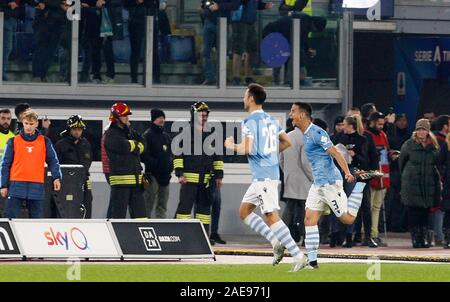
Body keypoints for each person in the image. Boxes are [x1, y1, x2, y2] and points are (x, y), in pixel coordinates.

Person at [224, 84, 308, 272]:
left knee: (271, 216)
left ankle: (299, 255)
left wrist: (231, 145)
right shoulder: (271, 120)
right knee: (244, 212)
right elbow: (286, 141)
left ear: (252, 98)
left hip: (264, 177)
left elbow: (247, 148)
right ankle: (275, 242)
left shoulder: (250, 122)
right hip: (267, 175)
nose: (244, 98)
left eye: (245, 95)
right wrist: (270, 154)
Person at [289, 102, 367, 269]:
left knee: (347, 219)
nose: (290, 115)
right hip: (318, 185)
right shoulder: (305, 134)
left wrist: (347, 173)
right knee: (309, 219)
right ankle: (312, 262)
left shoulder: (317, 132)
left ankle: (360, 186)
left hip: (331, 183)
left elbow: (335, 153)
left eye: (293, 111)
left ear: (302, 115)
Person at [173, 101, 224, 238]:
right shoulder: (184, 132)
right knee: (184, 211)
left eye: (206, 115)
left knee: (204, 213)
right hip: (189, 179)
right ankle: (179, 237)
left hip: (207, 181)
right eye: (201, 115)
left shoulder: (212, 133)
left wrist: (219, 176)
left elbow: (217, 157)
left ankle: (202, 240)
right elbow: (177, 155)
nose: (204, 117)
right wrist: (180, 174)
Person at [0, 110, 61, 218]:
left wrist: (56, 177)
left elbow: (53, 160)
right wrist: (3, 185)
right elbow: (5, 164)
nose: (28, 127)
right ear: (22, 123)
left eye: (31, 124)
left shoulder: (44, 141)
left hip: (36, 186)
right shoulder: (13, 141)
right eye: (26, 123)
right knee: (9, 219)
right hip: (16, 185)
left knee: (36, 221)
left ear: (37, 123)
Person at [399, 119, 441, 248]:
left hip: (428, 184)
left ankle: (425, 238)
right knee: (414, 213)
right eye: (419, 129)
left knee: (426, 213)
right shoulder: (408, 145)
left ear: (428, 131)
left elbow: (437, 164)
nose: (421, 132)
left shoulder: (433, 146)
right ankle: (416, 239)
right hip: (412, 183)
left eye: (423, 129)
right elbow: (402, 162)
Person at [333, 115, 371, 248]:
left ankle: (349, 236)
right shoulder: (340, 137)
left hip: (353, 171)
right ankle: (336, 234)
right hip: (339, 171)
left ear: (350, 126)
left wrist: (355, 155)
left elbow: (366, 159)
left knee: (350, 204)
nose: (342, 127)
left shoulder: (362, 140)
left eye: (344, 124)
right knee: (337, 201)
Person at [104, 102, 146, 218]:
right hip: (121, 182)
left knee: (141, 216)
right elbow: (124, 146)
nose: (127, 118)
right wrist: (134, 145)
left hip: (136, 182)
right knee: (118, 216)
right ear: (116, 118)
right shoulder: (111, 134)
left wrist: (134, 145)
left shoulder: (130, 132)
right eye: (124, 116)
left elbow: (143, 142)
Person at [280, 119, 313, 245]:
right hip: (304, 180)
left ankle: (281, 236)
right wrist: (312, 177)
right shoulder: (306, 138)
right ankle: (306, 237)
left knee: (289, 208)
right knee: (306, 210)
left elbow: (281, 159)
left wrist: (287, 173)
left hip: (290, 179)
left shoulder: (287, 136)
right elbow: (305, 162)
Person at [54, 115, 93, 218]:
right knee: (67, 207)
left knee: (87, 205)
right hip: (67, 182)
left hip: (83, 181)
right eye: (75, 129)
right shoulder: (61, 145)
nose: (77, 132)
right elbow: (56, 164)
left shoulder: (86, 144)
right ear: (69, 129)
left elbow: (88, 162)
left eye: (79, 129)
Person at [124, 0, 170, 84]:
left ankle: (156, 78)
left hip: (151, 21)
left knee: (154, 51)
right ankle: (134, 78)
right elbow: (125, 4)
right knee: (135, 51)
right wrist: (136, 2)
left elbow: (158, 4)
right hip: (135, 21)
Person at [230, 0, 273, 86]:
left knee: (252, 49)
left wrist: (264, 5)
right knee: (238, 48)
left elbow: (256, 4)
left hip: (251, 21)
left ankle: (248, 77)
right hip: (240, 21)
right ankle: (236, 77)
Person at [365, 111, 391, 247]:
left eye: (383, 124)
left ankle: (374, 234)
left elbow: (386, 154)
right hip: (372, 177)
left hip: (382, 177)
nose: (381, 126)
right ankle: (367, 234)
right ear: (372, 122)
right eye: (379, 124)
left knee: (376, 207)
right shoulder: (367, 135)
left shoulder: (383, 135)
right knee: (368, 207)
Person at [200, 0, 240, 85]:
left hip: (223, 22)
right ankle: (209, 77)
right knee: (205, 51)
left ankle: (222, 78)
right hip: (209, 21)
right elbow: (204, 2)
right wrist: (207, 6)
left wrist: (219, 6)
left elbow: (235, 4)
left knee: (222, 52)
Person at [141, 109, 173, 218]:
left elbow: (170, 154)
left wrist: (170, 166)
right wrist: (156, 164)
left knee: (162, 205)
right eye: (159, 118)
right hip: (152, 176)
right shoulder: (147, 135)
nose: (162, 120)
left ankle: (161, 227)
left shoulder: (166, 136)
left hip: (165, 177)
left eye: (163, 118)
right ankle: (145, 226)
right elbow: (144, 155)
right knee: (147, 204)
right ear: (153, 119)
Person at [1, 0, 22, 81]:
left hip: (13, 18)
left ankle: (2, 72)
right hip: (4, 16)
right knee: (6, 48)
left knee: (7, 48)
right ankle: (2, 73)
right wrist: (7, 4)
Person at [0, 108, 14, 216]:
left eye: (8, 119)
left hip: (6, 180)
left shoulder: (13, 138)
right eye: (3, 118)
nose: (6, 121)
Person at [438, 133, 450, 249]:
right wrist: (445, 174)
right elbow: (439, 162)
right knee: (449, 211)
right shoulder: (447, 145)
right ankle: (448, 238)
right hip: (449, 184)